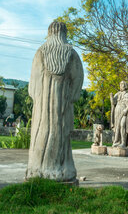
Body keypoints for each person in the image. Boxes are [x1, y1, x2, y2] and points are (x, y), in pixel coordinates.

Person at [26, 21, 84, 182]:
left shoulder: (40, 52)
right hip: (63, 105)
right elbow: (78, 79)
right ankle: (62, 168)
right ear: (64, 33)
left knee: (40, 132)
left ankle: (38, 169)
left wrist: (38, 99)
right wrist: (70, 97)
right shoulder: (71, 53)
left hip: (42, 108)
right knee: (62, 133)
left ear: (49, 33)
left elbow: (33, 85)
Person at [110, 81, 128, 149]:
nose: (121, 85)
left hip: (124, 112)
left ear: (125, 85)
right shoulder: (117, 94)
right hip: (117, 112)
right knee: (117, 127)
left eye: (122, 84)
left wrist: (126, 110)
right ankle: (117, 142)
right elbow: (113, 103)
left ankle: (123, 142)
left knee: (122, 125)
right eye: (120, 84)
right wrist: (111, 97)